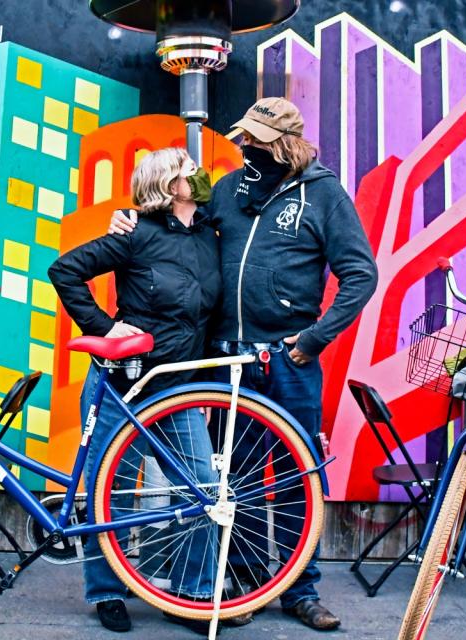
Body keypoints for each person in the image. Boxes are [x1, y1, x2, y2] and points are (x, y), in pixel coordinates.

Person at [109, 97, 379, 631]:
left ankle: (302, 591)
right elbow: (175, 213)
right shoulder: (227, 188)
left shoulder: (324, 194)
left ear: (284, 143)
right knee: (233, 478)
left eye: (254, 139)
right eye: (243, 139)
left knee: (301, 476)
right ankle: (250, 580)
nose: (243, 146)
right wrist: (131, 218)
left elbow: (360, 275)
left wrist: (315, 339)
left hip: (288, 360)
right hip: (225, 359)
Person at [48, 147, 224, 635]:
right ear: (170, 186)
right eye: (190, 170)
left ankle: (190, 593)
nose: (199, 174)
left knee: (203, 490)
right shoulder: (135, 233)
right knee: (112, 492)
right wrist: (106, 328)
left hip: (182, 389)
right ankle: (108, 592)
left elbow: (207, 318)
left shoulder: (211, 236)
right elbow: (65, 271)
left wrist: (204, 388)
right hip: (122, 383)